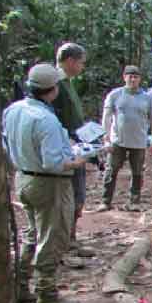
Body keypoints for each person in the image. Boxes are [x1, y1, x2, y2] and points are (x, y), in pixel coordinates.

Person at [2, 64, 88, 303]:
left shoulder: (14, 109)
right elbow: (53, 163)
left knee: (33, 234)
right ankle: (46, 293)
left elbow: (7, 143)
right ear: (53, 89)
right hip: (48, 183)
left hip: (24, 178)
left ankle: (20, 285)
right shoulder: (45, 119)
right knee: (52, 237)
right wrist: (77, 161)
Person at [98, 65, 152, 211]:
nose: (133, 80)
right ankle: (105, 201)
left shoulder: (147, 98)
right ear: (124, 77)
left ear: (140, 79)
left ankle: (134, 202)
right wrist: (105, 137)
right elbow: (106, 117)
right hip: (117, 141)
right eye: (130, 76)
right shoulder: (115, 95)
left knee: (137, 172)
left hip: (139, 142)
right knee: (111, 170)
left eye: (136, 77)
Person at [52, 42, 88, 241]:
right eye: (81, 62)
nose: (82, 67)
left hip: (77, 143)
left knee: (78, 191)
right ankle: (65, 239)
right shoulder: (56, 84)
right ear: (71, 61)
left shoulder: (67, 83)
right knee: (72, 193)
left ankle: (70, 236)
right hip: (67, 146)